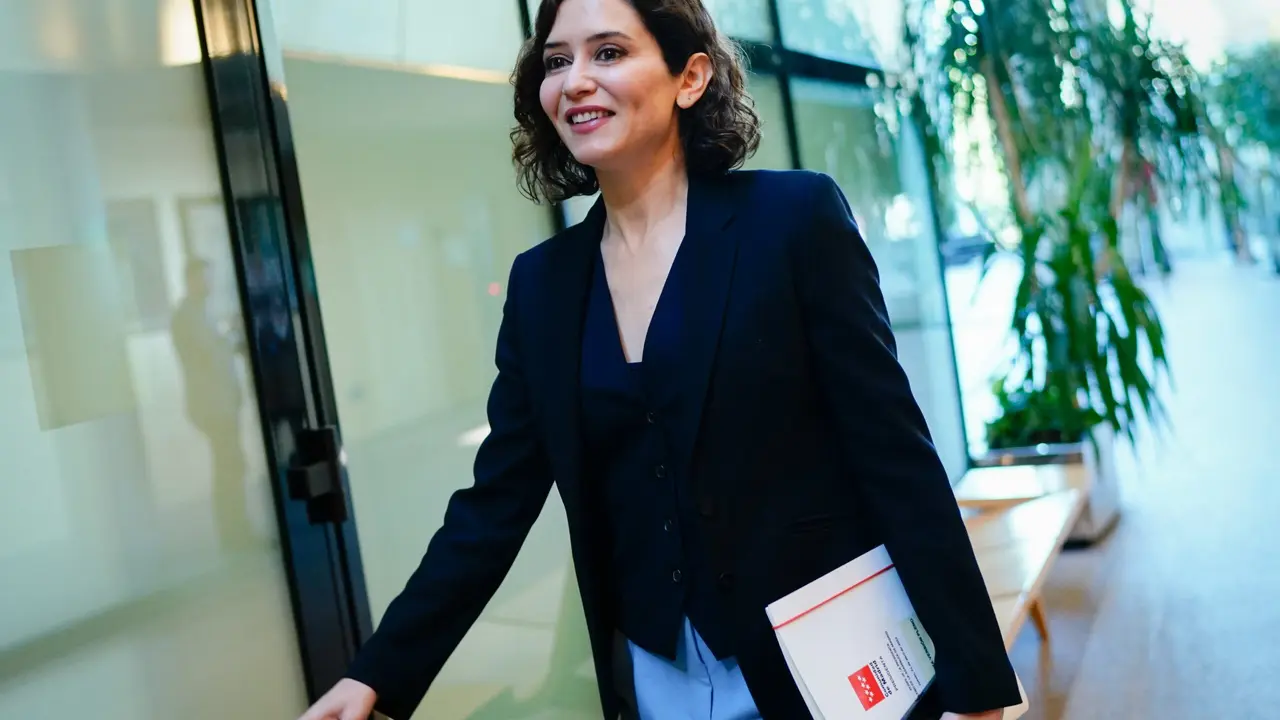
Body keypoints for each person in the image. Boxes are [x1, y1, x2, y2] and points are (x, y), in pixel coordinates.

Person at [299, 0, 1023, 717]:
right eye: (557, 61)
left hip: (829, 661)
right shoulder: (543, 285)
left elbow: (894, 453)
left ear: (690, 78)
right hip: (658, 678)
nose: (576, 80)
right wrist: (376, 675)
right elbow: (494, 505)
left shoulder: (792, 221)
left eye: (608, 52)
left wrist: (977, 686)